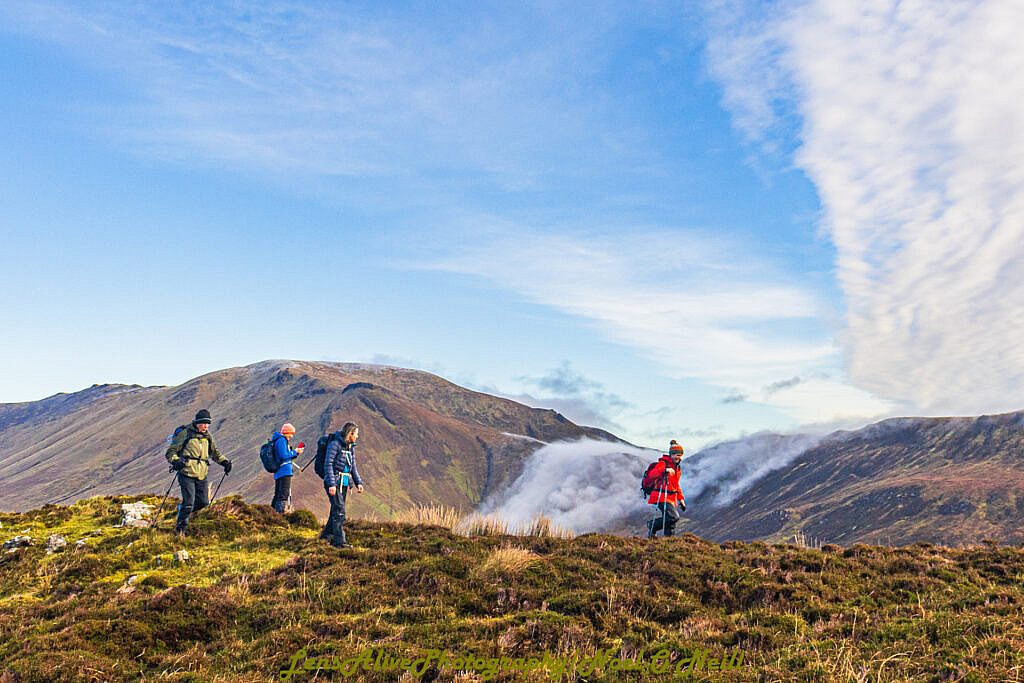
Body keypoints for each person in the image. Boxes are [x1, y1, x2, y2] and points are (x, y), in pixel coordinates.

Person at [165, 409, 232, 535]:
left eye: (207, 424)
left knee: (203, 503)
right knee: (189, 502)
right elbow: (170, 452)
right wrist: (176, 461)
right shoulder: (185, 433)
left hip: (202, 474)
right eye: (203, 424)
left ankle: (182, 511)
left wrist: (225, 462)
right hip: (186, 473)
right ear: (197, 423)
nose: (205, 426)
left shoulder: (207, 436)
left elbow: (214, 453)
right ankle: (180, 531)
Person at [322, 422, 365, 548]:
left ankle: (326, 535)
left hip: (344, 482)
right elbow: (328, 464)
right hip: (335, 482)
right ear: (350, 433)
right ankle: (339, 542)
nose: (357, 436)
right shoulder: (335, 445)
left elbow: (353, 467)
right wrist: (331, 484)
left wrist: (358, 482)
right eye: (356, 434)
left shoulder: (350, 447)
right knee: (340, 511)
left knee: (336, 509)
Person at [646, 439, 686, 538]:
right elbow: (652, 475)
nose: (678, 457)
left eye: (679, 455)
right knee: (673, 517)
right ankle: (652, 525)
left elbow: (676, 484)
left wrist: (681, 499)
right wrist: (665, 470)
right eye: (675, 454)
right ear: (671, 455)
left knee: (671, 522)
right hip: (661, 496)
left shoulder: (677, 467)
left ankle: (668, 541)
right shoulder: (663, 463)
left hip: (671, 498)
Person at [270, 423, 304, 513]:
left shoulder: (278, 440)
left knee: (278, 494)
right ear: (286, 432)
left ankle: (271, 513)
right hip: (284, 471)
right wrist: (295, 452)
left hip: (280, 471)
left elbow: (284, 456)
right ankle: (279, 514)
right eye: (290, 433)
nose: (291, 436)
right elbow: (283, 455)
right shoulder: (281, 440)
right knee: (283, 494)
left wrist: (296, 453)